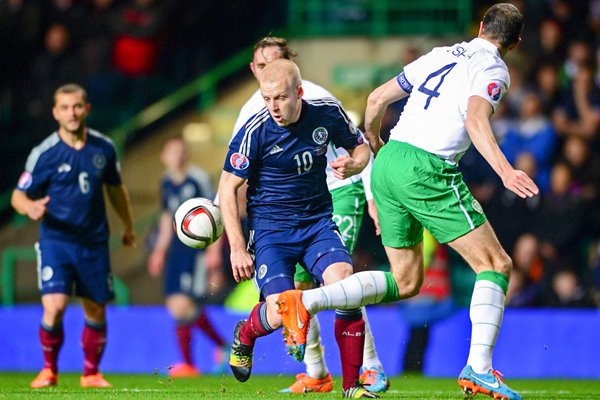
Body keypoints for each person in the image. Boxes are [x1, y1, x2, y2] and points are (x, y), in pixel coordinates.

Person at [276, 4, 538, 400]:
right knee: (496, 264)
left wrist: (375, 143)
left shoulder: (439, 53)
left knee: (406, 280)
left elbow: (378, 98)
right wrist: (504, 171)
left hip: (390, 160)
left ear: (481, 27)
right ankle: (479, 369)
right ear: (515, 43)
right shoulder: (494, 70)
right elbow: (475, 120)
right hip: (427, 167)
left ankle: (306, 300)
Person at [228, 36, 388, 394]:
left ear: (298, 92)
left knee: (344, 285)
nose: (273, 106)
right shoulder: (253, 125)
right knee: (286, 305)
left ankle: (354, 384)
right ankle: (249, 331)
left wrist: (356, 164)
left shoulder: (325, 110)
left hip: (317, 222)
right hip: (272, 231)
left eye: (280, 98)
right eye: (268, 98)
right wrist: (237, 247)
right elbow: (228, 187)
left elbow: (360, 147)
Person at [11, 83, 136, 388]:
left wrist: (128, 226)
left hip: (93, 242)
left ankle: (91, 373)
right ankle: (48, 370)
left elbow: (116, 189)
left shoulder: (103, 148)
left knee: (95, 307)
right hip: (57, 241)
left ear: (87, 109)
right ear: (55, 112)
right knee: (54, 306)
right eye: (65, 107)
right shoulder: (44, 154)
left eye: (77, 106)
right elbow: (18, 195)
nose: (72, 113)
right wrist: (29, 207)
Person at [147, 137, 228, 377]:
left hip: (196, 251)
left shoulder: (198, 179)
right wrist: (159, 251)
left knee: (184, 305)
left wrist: (214, 252)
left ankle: (191, 362)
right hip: (176, 252)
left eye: (181, 151)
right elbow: (166, 218)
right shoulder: (165, 182)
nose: (178, 156)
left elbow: (215, 214)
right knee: (178, 306)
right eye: (172, 152)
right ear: (164, 156)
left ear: (187, 154)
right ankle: (220, 348)